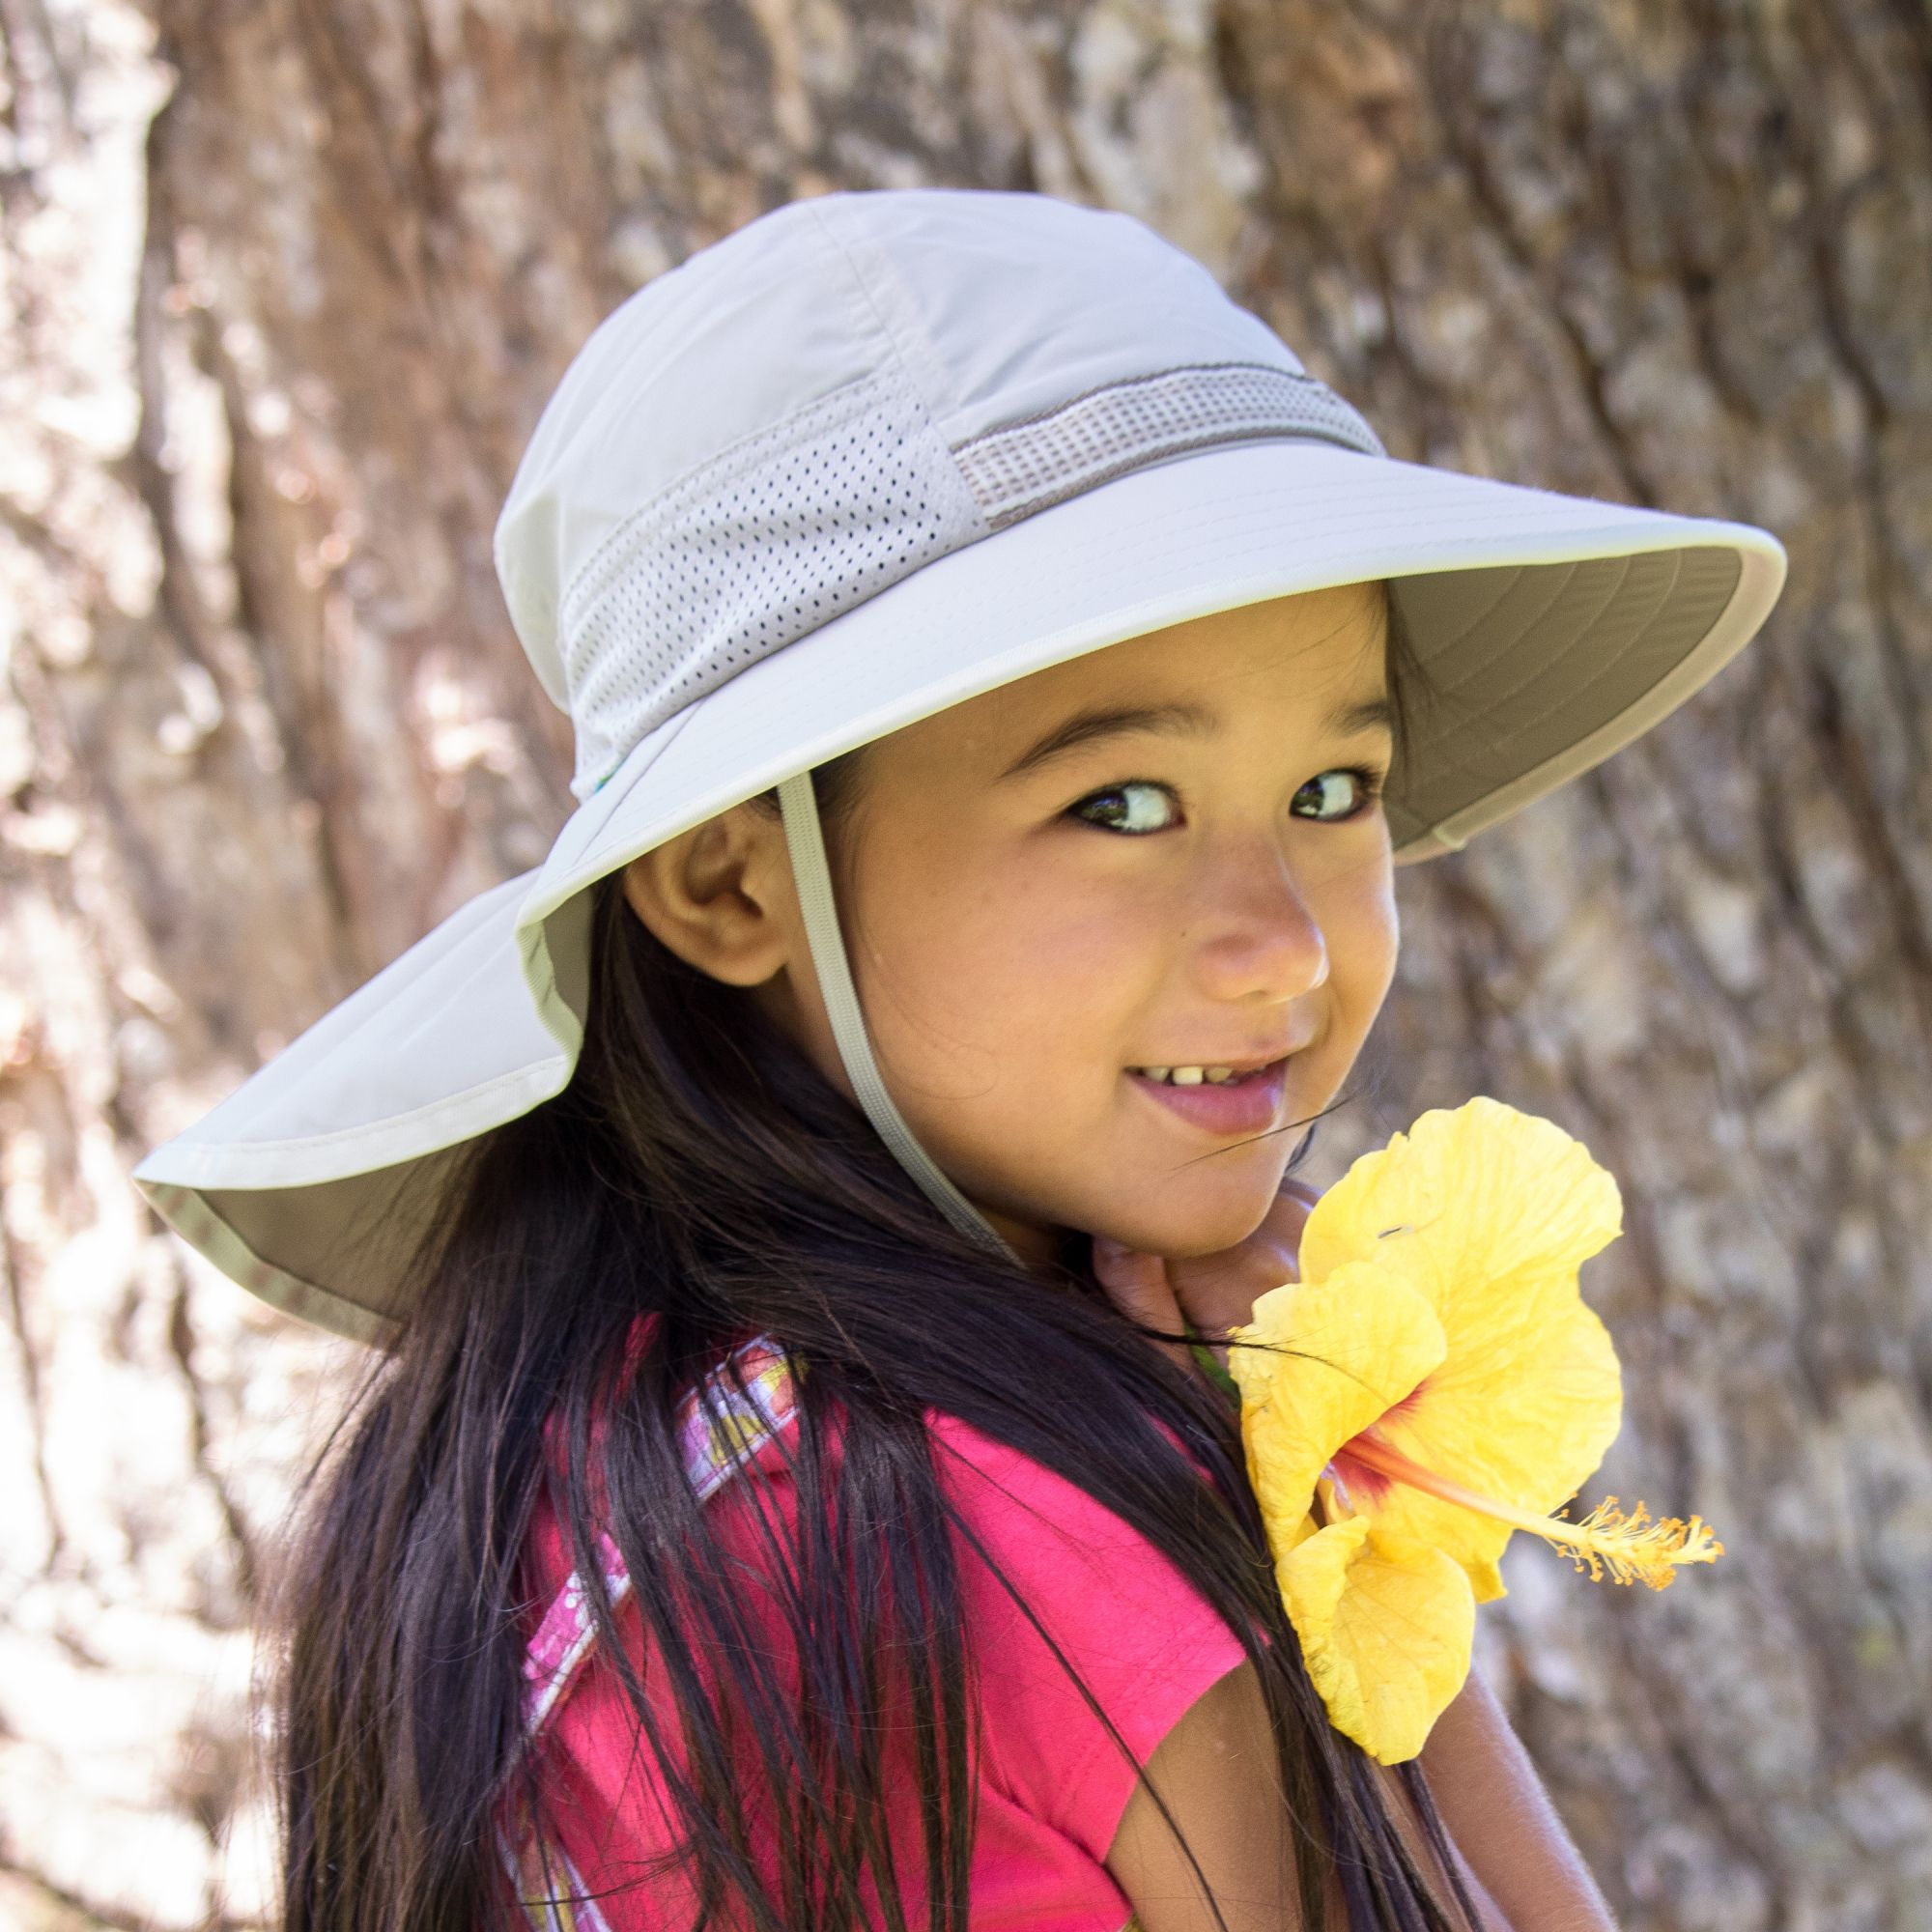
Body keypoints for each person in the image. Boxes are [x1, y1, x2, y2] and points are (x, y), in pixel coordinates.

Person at [132, 187, 1786, 1932]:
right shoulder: (1038, 1529)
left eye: (1331, 794)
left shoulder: (528, 1468)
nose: (1285, 942)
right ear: (732, 881)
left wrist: (1342, 1507)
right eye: (1122, 804)